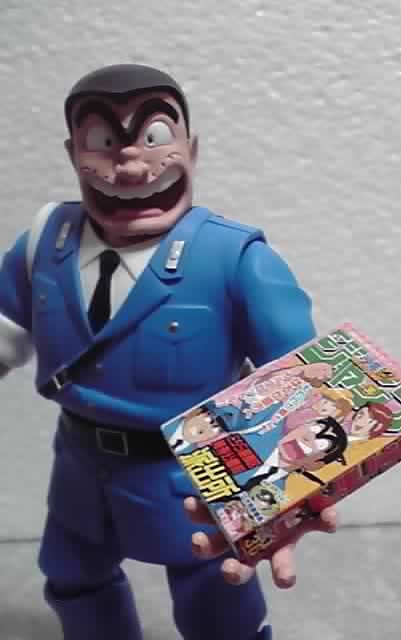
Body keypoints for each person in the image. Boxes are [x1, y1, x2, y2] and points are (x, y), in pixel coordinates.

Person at [0, 63, 336, 640]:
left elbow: (311, 383)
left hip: (192, 476)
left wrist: (290, 496)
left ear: (191, 150)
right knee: (73, 577)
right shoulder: (45, 244)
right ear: (73, 153)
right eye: (103, 141)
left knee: (216, 598)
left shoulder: (235, 259)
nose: (131, 165)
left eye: (154, 136)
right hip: (79, 466)